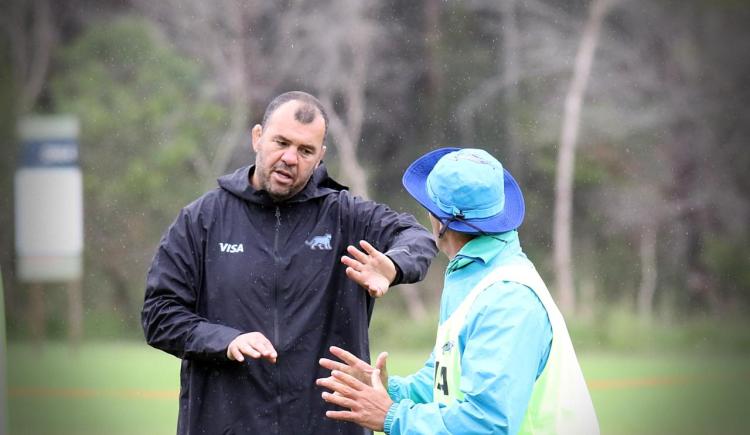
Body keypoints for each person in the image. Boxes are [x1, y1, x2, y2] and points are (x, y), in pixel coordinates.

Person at [141, 91, 437, 435]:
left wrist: (393, 264)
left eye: (305, 150)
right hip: (224, 424)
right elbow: (159, 315)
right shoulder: (202, 220)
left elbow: (417, 238)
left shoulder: (346, 216)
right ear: (257, 138)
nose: (290, 158)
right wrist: (225, 341)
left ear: (320, 156)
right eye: (281, 142)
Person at [317, 148, 599, 434]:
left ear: (440, 223)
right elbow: (445, 381)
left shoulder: (506, 297)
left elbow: (488, 424)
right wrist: (389, 389)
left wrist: (392, 416)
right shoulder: (473, 273)